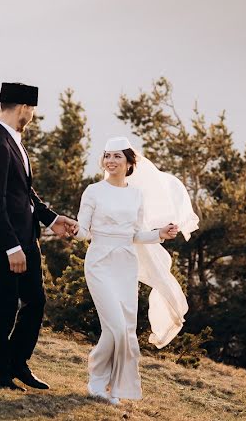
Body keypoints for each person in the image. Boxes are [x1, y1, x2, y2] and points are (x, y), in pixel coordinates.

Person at [74, 136, 198, 404]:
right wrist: (73, 229)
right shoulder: (93, 191)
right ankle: (97, 378)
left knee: (123, 329)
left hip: (126, 265)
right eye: (107, 155)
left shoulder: (136, 194)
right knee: (116, 327)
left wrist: (160, 233)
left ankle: (114, 387)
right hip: (99, 263)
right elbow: (84, 232)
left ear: (130, 162)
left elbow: (136, 234)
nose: (111, 161)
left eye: (117, 156)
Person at [0, 81, 78, 391]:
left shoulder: (12, 141)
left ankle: (16, 362)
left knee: (35, 301)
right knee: (5, 307)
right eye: (32, 109)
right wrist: (12, 247)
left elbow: (21, 191)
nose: (32, 115)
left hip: (25, 238)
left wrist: (51, 218)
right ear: (23, 109)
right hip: (6, 242)